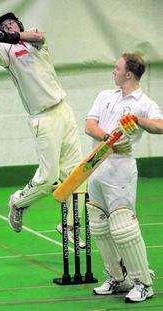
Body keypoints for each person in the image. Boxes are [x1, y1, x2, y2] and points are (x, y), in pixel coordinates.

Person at [0, 4, 86, 247]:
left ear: (18, 24)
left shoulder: (33, 39)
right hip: (43, 118)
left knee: (78, 175)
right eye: (3, 26)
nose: (8, 27)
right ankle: (17, 202)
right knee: (49, 178)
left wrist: (11, 35)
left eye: (11, 23)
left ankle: (69, 226)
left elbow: (39, 36)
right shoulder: (6, 52)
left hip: (64, 110)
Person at [85, 52, 163, 303]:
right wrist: (108, 138)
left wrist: (138, 120)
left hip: (121, 170)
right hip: (97, 165)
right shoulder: (105, 96)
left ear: (129, 73)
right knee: (99, 225)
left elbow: (161, 126)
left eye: (117, 68)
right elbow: (89, 125)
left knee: (123, 227)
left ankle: (143, 283)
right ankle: (118, 278)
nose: (113, 71)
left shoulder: (144, 102)